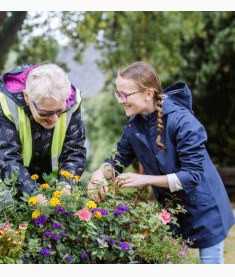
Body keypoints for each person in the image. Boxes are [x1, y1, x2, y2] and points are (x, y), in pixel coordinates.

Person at [89, 61, 235, 264]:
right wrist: (99, 172)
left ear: (148, 94)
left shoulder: (183, 122)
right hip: (170, 210)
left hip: (205, 207)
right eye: (118, 94)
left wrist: (144, 179)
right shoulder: (134, 125)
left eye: (126, 94)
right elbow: (117, 160)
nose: (120, 100)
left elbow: (192, 175)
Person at [0, 63, 86, 200]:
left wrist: (66, 187)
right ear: (27, 97)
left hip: (43, 185)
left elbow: (74, 151)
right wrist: (34, 196)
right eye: (45, 113)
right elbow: (6, 159)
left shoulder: (71, 102)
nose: (54, 119)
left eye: (60, 111)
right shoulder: (6, 102)